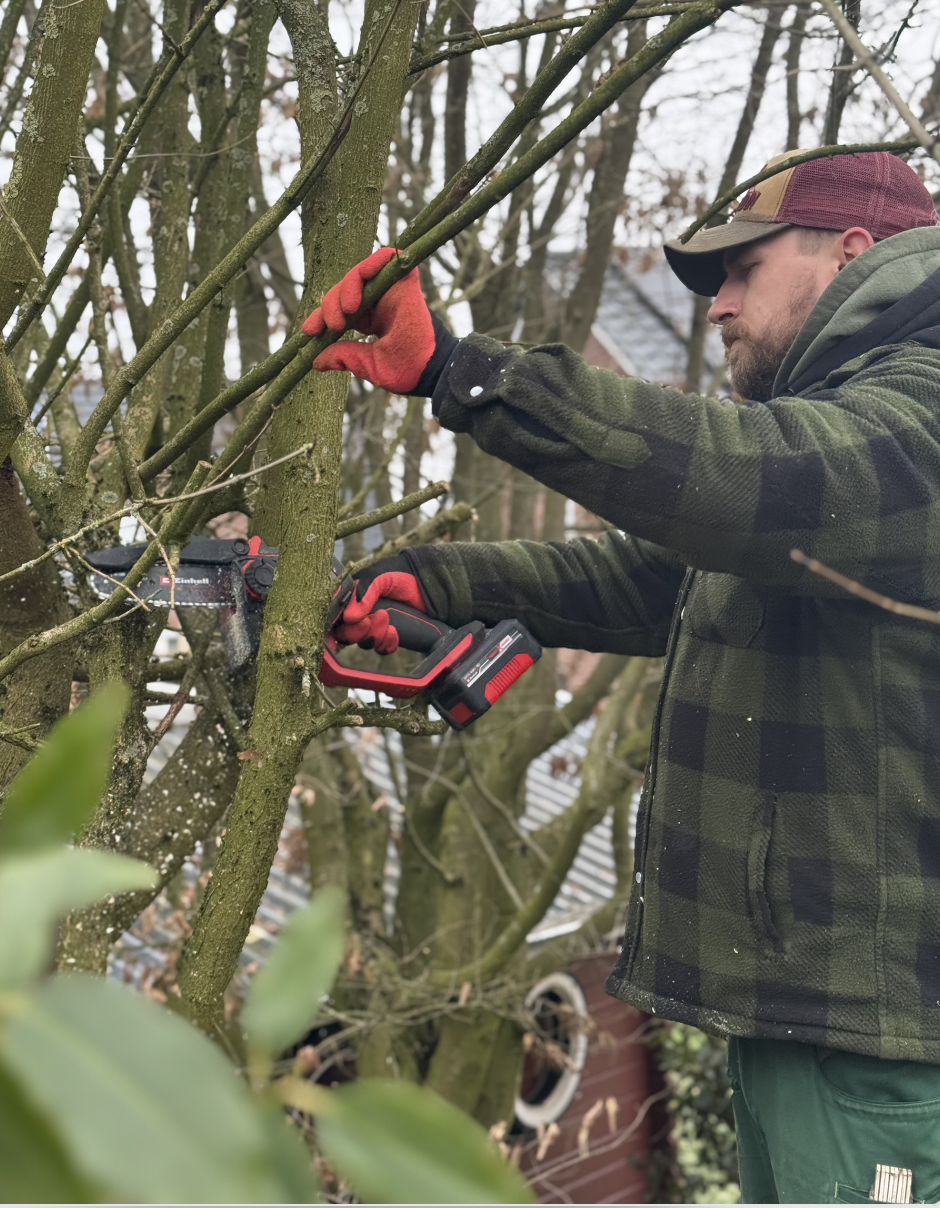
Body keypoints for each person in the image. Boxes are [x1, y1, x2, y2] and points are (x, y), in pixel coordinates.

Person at [305, 149, 940, 1204]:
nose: (716, 307)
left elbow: (743, 476)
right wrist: (437, 582)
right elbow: (658, 576)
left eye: (740, 270)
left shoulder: (913, 420)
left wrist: (462, 373)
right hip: (812, 1013)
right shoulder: (846, 440)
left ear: (851, 253)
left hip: (878, 1036)